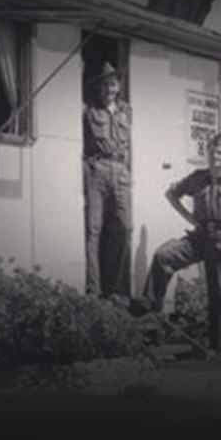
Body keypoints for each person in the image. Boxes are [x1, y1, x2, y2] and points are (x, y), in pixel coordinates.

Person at [131, 132, 221, 359]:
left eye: (219, 152)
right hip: (200, 236)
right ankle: (151, 311)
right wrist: (188, 217)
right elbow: (171, 194)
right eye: (210, 151)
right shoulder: (197, 178)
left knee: (220, 295)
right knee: (164, 257)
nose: (214, 155)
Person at [82, 62, 132, 299]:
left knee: (123, 228)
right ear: (98, 88)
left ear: (119, 86)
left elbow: (130, 145)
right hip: (97, 168)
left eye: (112, 84)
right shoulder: (89, 110)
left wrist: (128, 171)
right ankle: (94, 290)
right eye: (104, 85)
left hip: (121, 170)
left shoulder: (127, 111)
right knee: (94, 230)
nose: (109, 89)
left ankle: (114, 289)